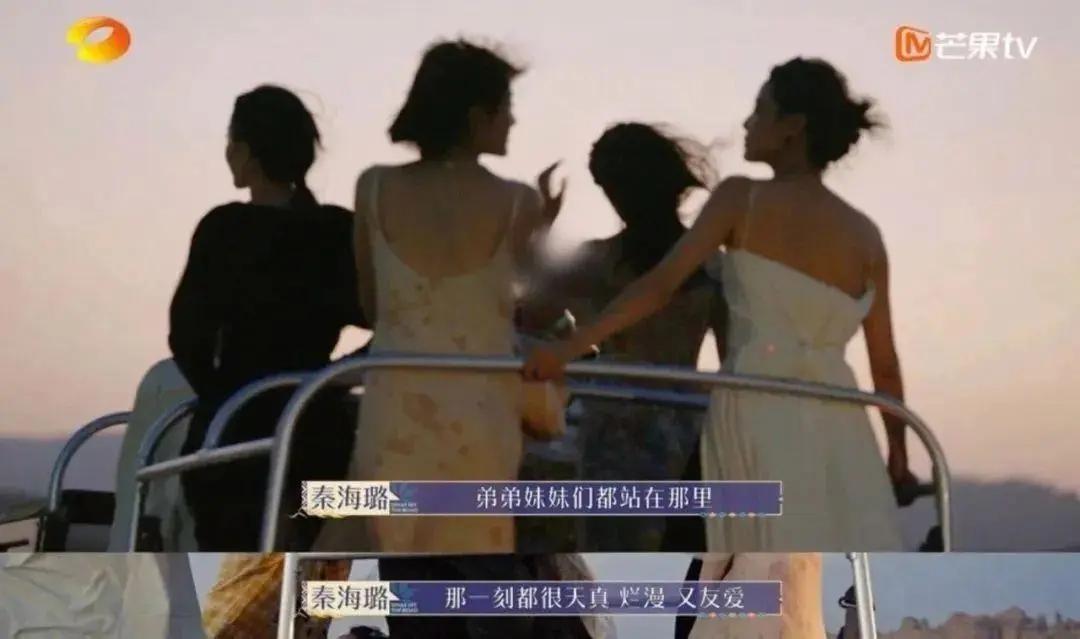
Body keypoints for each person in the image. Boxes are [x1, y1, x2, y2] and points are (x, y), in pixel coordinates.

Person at [525, 56, 911, 553]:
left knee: (754, 552)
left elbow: (659, 286)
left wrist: (567, 348)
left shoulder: (740, 199)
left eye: (760, 110)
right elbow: (885, 363)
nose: (747, 123)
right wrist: (898, 454)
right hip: (839, 417)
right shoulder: (865, 235)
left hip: (754, 406)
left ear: (792, 127)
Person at [315, 39, 563, 553]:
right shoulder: (518, 202)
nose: (512, 120)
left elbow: (373, 308)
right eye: (505, 108)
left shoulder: (374, 188)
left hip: (395, 409)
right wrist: (542, 227)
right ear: (476, 116)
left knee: (383, 549)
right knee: (468, 562)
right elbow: (535, 303)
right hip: (482, 413)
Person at [170, 85, 367, 551]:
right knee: (322, 583)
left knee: (238, 583)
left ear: (246, 152)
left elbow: (187, 338)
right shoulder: (338, 229)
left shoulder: (224, 229)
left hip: (235, 433)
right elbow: (395, 319)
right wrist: (334, 377)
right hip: (319, 428)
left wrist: (221, 398)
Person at [522, 122, 726, 551]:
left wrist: (542, 227)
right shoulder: (708, 264)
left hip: (637, 425)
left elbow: (533, 314)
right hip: (672, 422)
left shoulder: (604, 261)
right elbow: (534, 314)